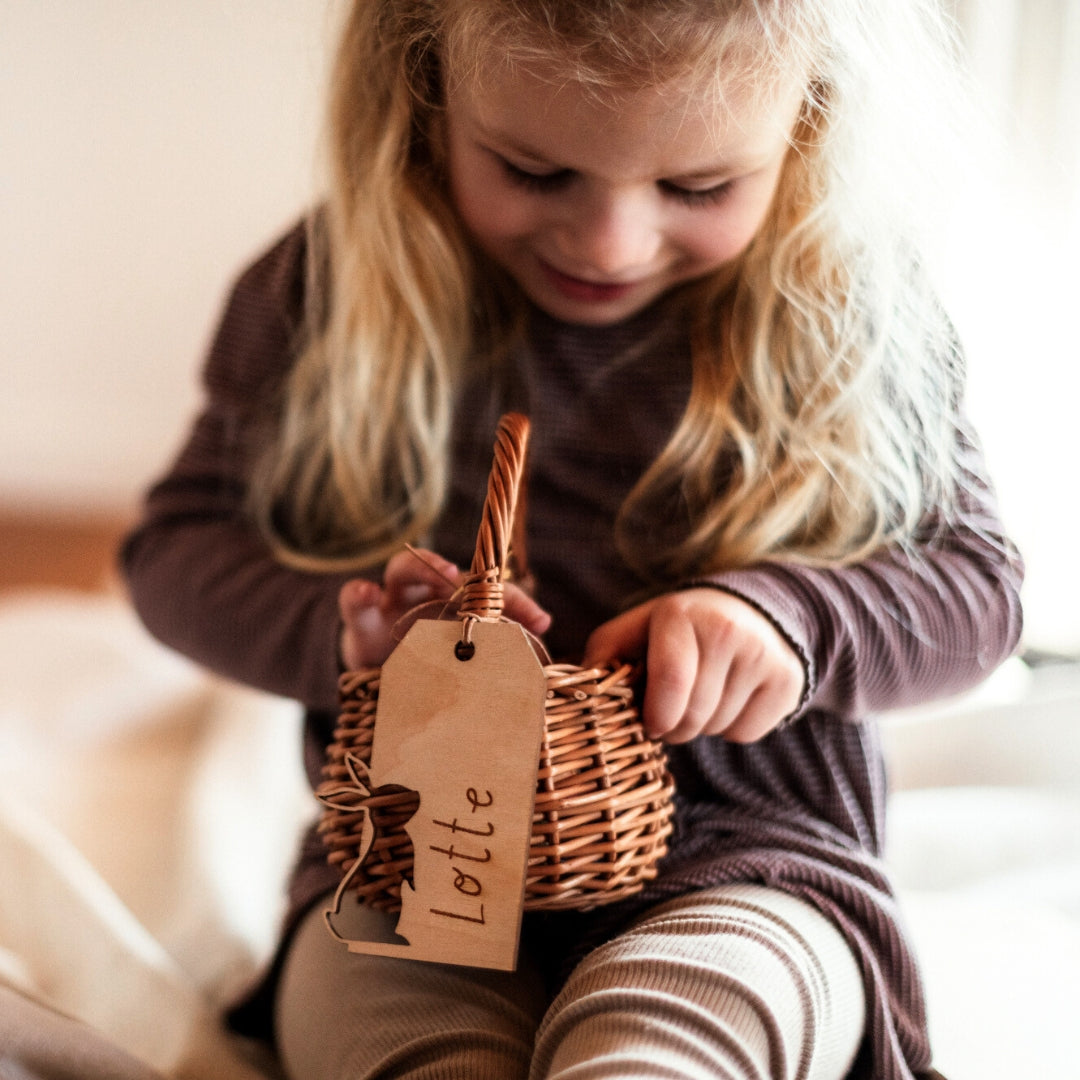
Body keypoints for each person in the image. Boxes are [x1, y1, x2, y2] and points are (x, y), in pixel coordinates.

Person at [122, 1, 1022, 1077]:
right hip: (411, 866)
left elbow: (977, 590)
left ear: (810, 121)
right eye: (534, 172)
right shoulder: (327, 290)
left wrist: (788, 622)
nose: (610, 241)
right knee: (407, 1047)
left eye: (697, 188)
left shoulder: (855, 309)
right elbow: (177, 552)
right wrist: (347, 627)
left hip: (750, 863)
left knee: (663, 1049)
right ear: (426, 94)